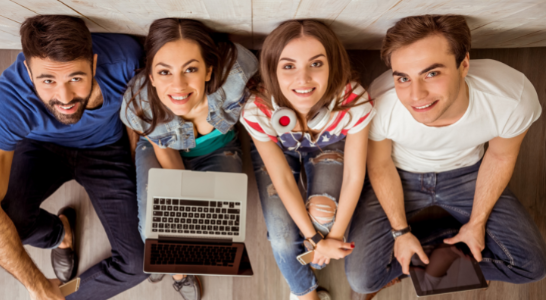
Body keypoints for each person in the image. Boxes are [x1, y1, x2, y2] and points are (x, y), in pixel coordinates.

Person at [344, 14, 546, 299]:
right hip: (400, 176)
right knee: (363, 280)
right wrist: (400, 233)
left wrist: (477, 223)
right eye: (403, 78)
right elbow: (379, 163)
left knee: (532, 266)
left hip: (467, 175)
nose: (416, 95)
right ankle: (432, 242)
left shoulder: (512, 97)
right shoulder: (379, 102)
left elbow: (500, 157)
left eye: (432, 73)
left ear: (464, 64)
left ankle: (440, 243)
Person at [0, 15, 148, 300]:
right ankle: (60, 234)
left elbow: (138, 116)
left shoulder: (126, 61)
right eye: (47, 80)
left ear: (94, 64)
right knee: (10, 224)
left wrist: (139, 174)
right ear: (28, 70)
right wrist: (37, 286)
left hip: (106, 150)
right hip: (41, 148)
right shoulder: (10, 98)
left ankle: (66, 296)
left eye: (76, 77)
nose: (64, 98)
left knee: (138, 264)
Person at [120, 18, 258, 300]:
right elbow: (165, 149)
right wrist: (178, 212)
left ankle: (171, 260)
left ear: (208, 70)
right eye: (164, 72)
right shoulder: (139, 104)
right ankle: (178, 271)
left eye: (190, 69)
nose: (178, 85)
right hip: (162, 150)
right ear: (152, 76)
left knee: (219, 232)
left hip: (219, 148)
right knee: (153, 230)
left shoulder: (238, 73)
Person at [240, 20, 375, 300]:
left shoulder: (354, 102)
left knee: (324, 215)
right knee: (281, 236)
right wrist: (312, 238)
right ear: (273, 70)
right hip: (279, 148)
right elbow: (282, 180)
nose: (303, 80)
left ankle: (316, 261)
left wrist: (333, 238)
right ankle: (304, 293)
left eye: (316, 64)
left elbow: (353, 175)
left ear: (332, 66)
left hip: (329, 143)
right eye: (289, 66)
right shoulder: (257, 110)